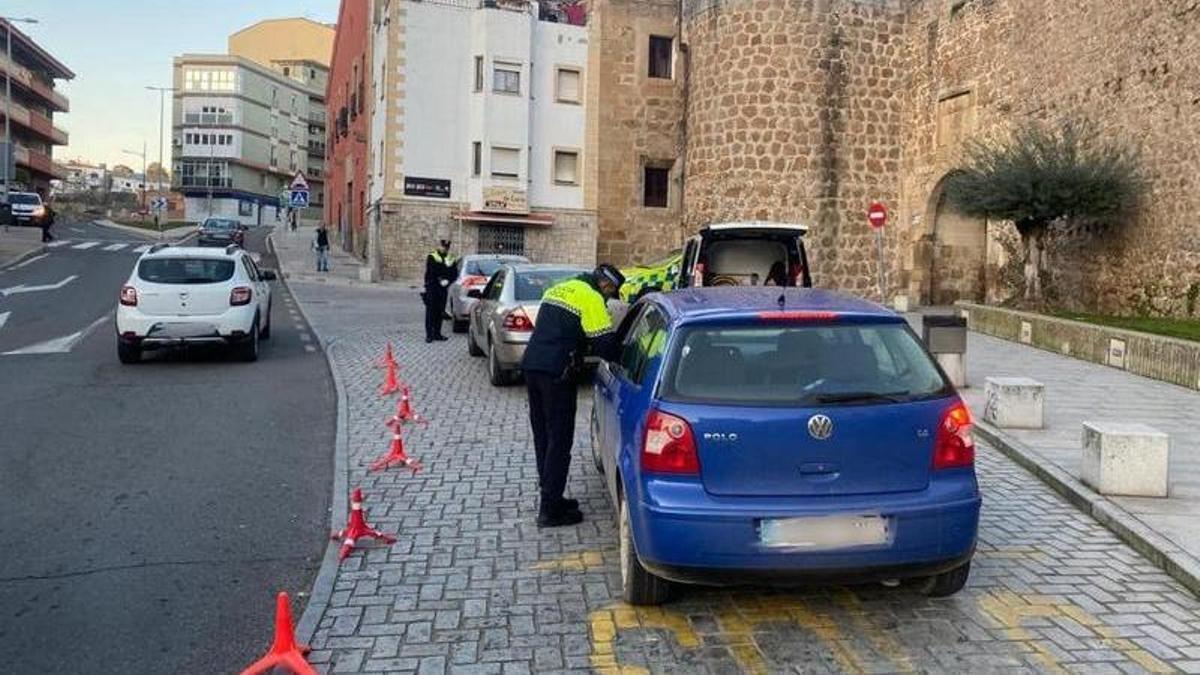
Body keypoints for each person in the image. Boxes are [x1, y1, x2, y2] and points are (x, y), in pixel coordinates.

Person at [521, 263, 625, 528]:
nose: (607, 299)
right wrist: (628, 352)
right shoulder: (591, 297)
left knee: (543, 436)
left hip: (532, 366)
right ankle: (549, 511)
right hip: (558, 373)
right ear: (606, 285)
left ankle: (552, 496)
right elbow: (605, 346)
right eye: (610, 294)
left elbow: (554, 328)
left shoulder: (559, 289)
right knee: (559, 439)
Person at [422, 239, 456, 343]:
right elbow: (431, 271)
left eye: (446, 247)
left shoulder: (451, 258)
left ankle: (437, 333)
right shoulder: (432, 256)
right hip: (432, 287)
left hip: (443, 289)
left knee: (440, 311)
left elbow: (454, 273)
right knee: (430, 311)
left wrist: (448, 281)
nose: (444, 249)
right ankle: (429, 335)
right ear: (439, 246)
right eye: (443, 246)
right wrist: (440, 279)